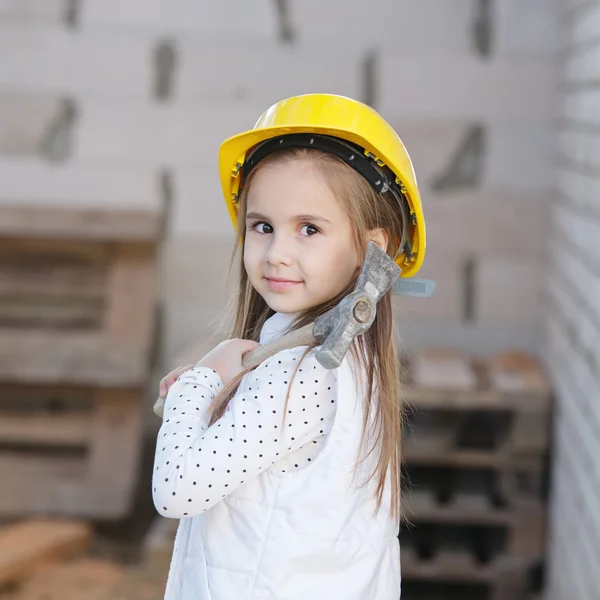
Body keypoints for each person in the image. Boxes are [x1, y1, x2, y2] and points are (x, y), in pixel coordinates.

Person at [152, 93, 427, 600]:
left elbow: (177, 489)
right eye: (263, 226)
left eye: (309, 229)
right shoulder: (350, 356)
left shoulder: (300, 371)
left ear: (374, 247)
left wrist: (200, 381)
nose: (277, 253)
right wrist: (204, 403)